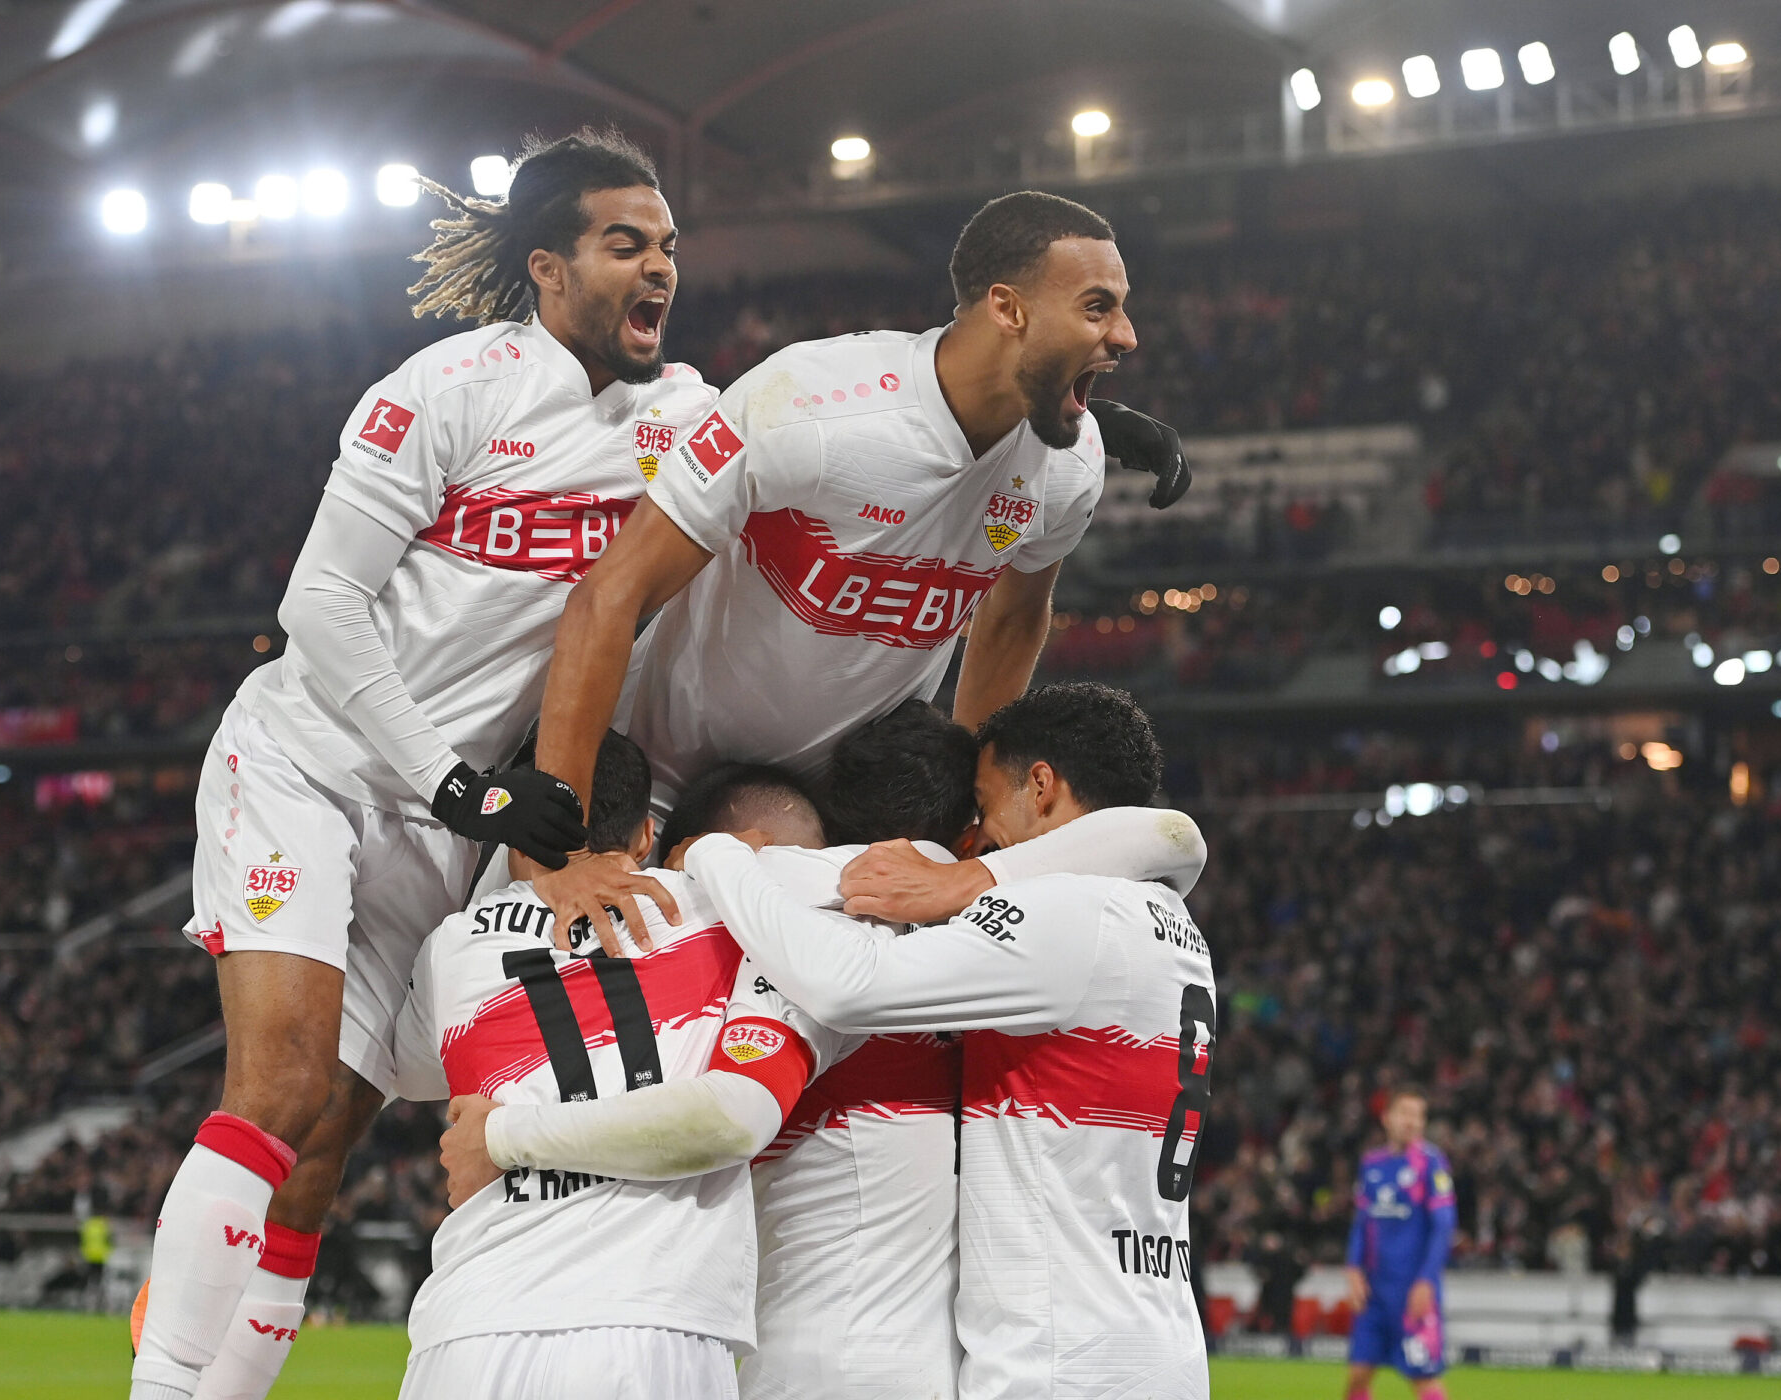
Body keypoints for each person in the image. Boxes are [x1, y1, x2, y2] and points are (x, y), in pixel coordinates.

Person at [131, 128, 717, 1400]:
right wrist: (453, 781)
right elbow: (319, 602)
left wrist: (1045, 426)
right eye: (626, 243)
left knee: (325, 1145)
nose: (660, 267)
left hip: (445, 819)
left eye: (669, 245)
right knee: (281, 1085)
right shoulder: (447, 386)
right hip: (310, 763)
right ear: (549, 267)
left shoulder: (685, 419)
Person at [460, 682, 1216, 1399]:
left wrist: (718, 855)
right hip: (1122, 1342)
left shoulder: (1000, 915)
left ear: (1042, 786)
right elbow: (1174, 838)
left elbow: (828, 1004)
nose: (983, 839)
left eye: (989, 811)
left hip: (1014, 1367)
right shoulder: (1152, 914)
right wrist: (976, 875)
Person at [530, 189, 1192, 949]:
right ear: (1008, 308)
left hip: (837, 821)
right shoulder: (809, 408)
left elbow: (1011, 620)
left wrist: (964, 813)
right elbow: (609, 596)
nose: (1128, 336)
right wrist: (560, 847)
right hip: (655, 783)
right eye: (1098, 308)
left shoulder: (1068, 467)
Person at [388, 731, 835, 1399]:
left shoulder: (449, 948)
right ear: (647, 834)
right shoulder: (727, 914)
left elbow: (412, 1071)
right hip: (649, 1324)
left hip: (469, 1328)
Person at [1343, 1086, 1457, 1400]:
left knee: (1423, 1379)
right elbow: (1362, 1223)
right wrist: (1353, 1268)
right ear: (1386, 1118)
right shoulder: (1372, 1164)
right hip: (1374, 1292)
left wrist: (1426, 1280)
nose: (1412, 1122)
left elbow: (1444, 1227)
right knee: (1357, 1376)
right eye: (1405, 1113)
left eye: (1419, 1115)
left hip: (1412, 1291)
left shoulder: (1432, 1163)